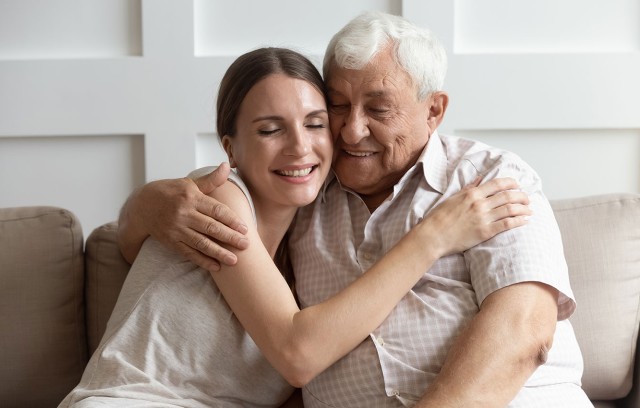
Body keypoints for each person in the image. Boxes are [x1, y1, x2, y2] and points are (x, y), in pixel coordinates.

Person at [60, 47, 529, 408]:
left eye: (316, 123)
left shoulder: (311, 245)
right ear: (231, 147)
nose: (300, 148)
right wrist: (434, 236)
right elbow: (298, 355)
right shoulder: (222, 199)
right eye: (270, 130)